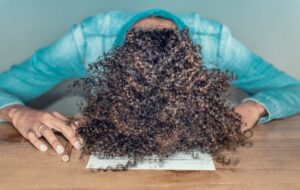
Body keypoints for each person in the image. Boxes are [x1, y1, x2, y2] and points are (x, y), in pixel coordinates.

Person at [0, 9, 299, 154]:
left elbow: (294, 88)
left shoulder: (217, 42)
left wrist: (252, 107)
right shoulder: (84, 41)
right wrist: (17, 112)